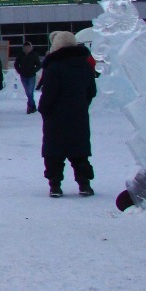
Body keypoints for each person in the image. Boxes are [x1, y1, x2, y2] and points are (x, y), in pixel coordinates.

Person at [38, 30, 97, 197]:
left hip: (56, 117)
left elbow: (49, 93)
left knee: (54, 152)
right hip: (78, 116)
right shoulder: (85, 65)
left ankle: (55, 185)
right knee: (80, 151)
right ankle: (84, 184)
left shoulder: (54, 66)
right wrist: (81, 104)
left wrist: (44, 108)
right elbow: (92, 91)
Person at [13, 41, 40, 114]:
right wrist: (19, 71)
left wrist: (34, 70)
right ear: (23, 48)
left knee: (30, 91)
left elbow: (39, 65)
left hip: (31, 76)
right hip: (23, 76)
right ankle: (33, 106)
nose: (27, 49)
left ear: (31, 48)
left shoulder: (34, 55)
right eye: (25, 48)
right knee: (27, 92)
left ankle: (30, 106)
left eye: (28, 47)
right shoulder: (20, 55)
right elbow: (16, 64)